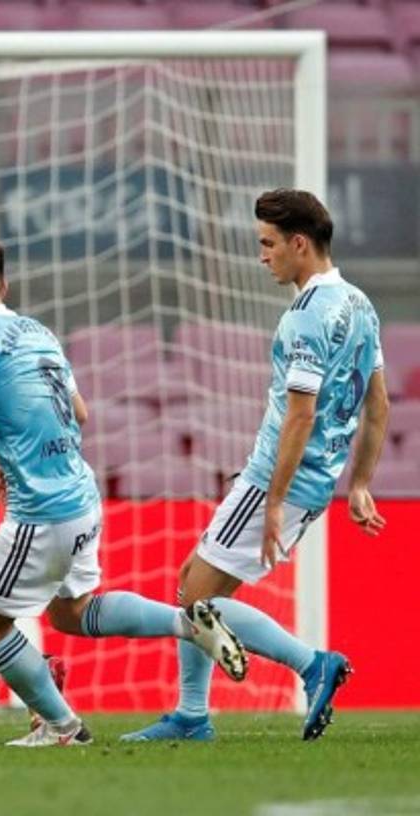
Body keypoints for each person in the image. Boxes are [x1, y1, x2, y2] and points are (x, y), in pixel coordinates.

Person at [0, 236, 247, 746]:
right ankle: (187, 624)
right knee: (71, 613)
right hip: (81, 494)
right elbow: (79, 412)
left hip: (43, 511)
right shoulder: (38, 332)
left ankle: (62, 727)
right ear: (4, 284)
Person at [122, 189, 388, 743]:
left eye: (268, 244)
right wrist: (359, 484)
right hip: (316, 480)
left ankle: (310, 665)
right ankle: (193, 715)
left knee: (195, 598)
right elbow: (378, 403)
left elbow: (300, 414)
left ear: (299, 243)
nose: (262, 255)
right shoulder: (360, 304)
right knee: (194, 587)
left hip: (279, 476)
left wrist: (270, 501)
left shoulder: (306, 318)